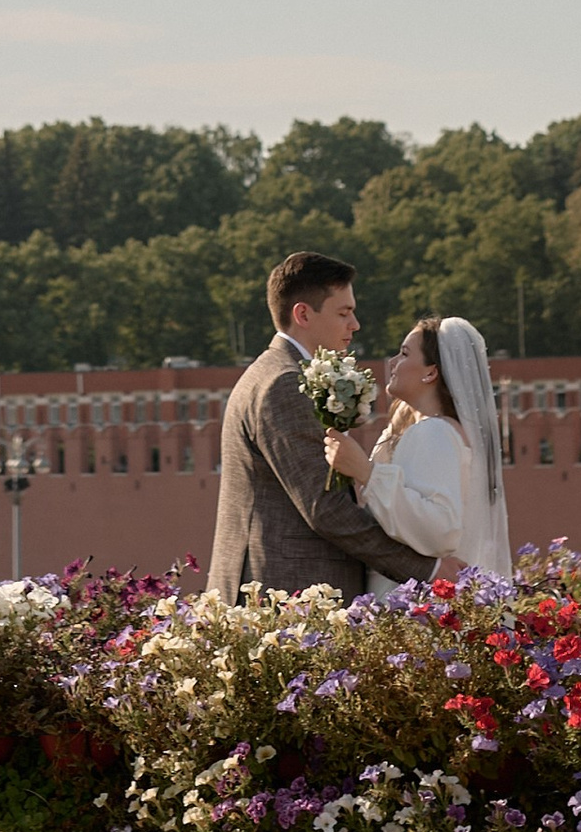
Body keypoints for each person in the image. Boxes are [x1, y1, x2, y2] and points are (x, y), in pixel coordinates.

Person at [210, 252, 433, 601]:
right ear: (303, 314)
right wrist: (427, 571)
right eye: (343, 313)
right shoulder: (283, 384)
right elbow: (325, 510)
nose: (355, 324)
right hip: (284, 594)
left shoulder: (276, 372)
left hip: (283, 590)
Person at [327, 315, 516, 591]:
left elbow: (439, 530)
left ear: (431, 372)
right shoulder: (436, 430)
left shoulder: (433, 432)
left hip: (409, 598)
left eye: (404, 354)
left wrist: (366, 473)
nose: (392, 362)